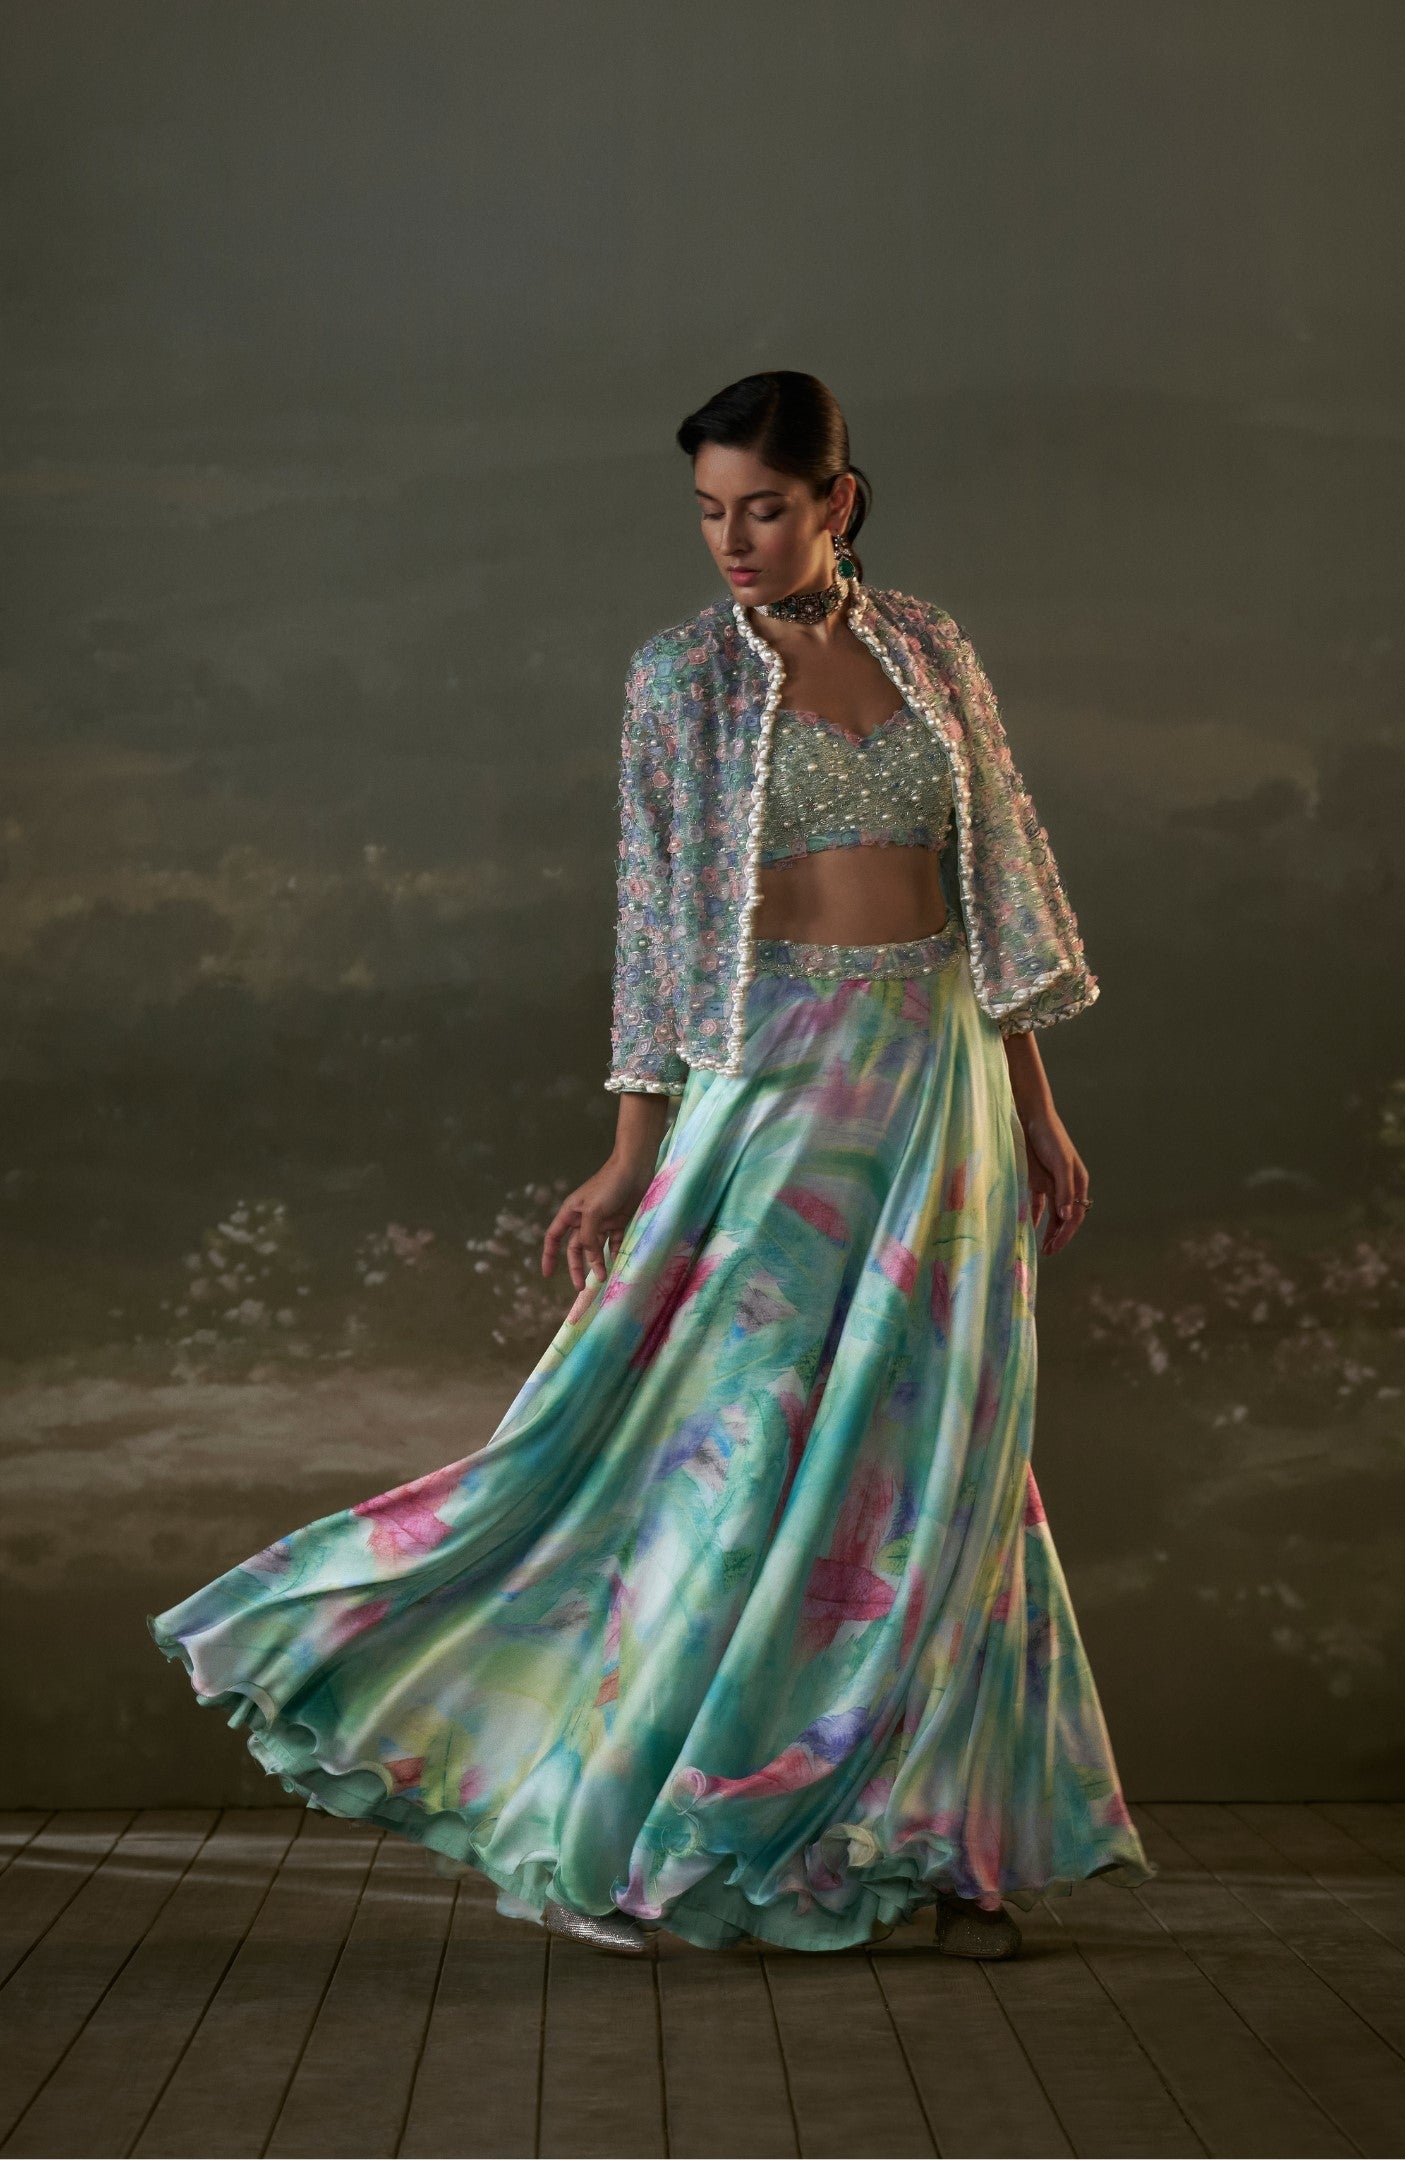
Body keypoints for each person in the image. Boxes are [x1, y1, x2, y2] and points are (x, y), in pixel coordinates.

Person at [148, 370, 1156, 1961]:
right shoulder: (680, 679)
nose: (734, 541)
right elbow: (656, 920)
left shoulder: (931, 648)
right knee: (728, 1444)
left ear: (837, 500)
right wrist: (633, 1147)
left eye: (766, 507)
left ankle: (938, 1846)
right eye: (710, 513)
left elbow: (998, 897)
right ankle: (619, 1827)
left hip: (943, 1077)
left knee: (940, 1451)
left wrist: (1038, 1108)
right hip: (777, 1084)